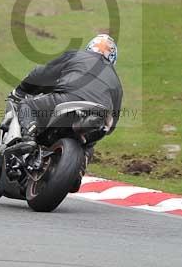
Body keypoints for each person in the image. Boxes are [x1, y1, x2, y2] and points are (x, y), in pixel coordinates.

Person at [12, 34, 122, 188]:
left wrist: (22, 89)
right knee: (90, 143)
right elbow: (113, 123)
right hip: (98, 115)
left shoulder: (76, 55)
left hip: (68, 99)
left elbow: (43, 73)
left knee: (27, 105)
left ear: (89, 48)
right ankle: (78, 170)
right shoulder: (116, 81)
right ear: (113, 59)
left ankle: (28, 138)